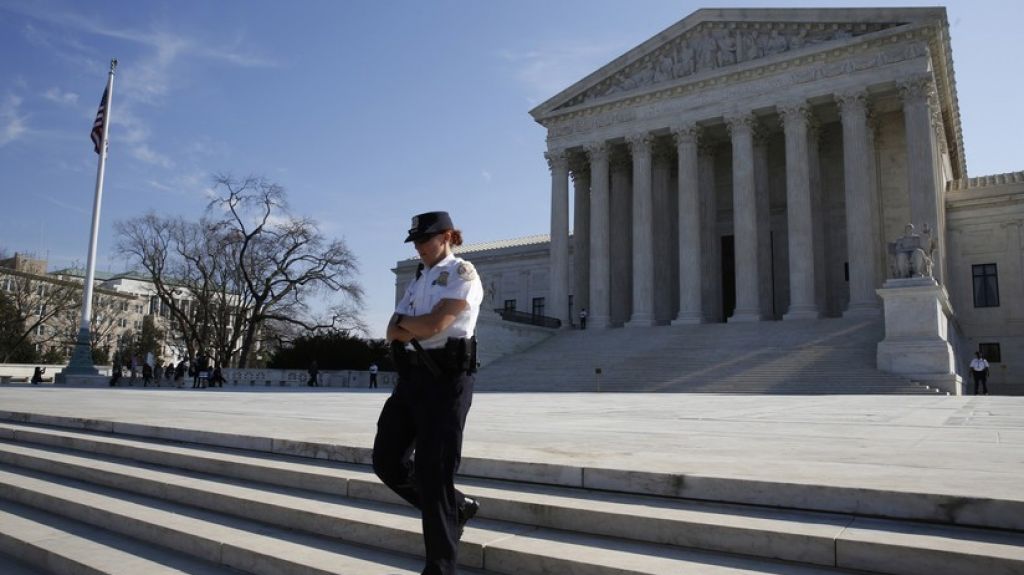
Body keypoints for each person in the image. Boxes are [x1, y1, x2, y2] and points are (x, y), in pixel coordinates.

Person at [373, 211, 483, 575]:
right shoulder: (417, 280)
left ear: (447, 236)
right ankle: (456, 506)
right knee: (386, 461)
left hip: (447, 380)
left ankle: (441, 567)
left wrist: (409, 326)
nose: (420, 247)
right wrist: (409, 327)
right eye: (416, 241)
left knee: (433, 472)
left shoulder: (462, 274)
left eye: (426, 239)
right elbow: (392, 330)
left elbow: (436, 324)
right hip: (412, 381)